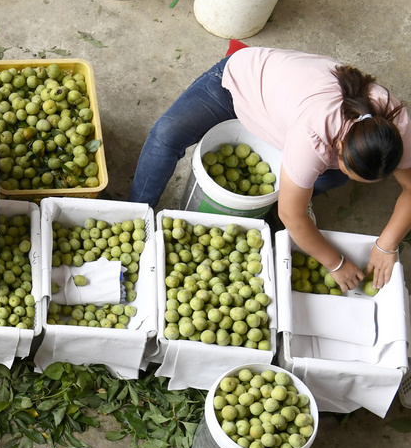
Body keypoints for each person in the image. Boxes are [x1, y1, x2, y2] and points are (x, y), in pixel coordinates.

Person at [129, 47, 411, 291]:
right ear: (338, 147)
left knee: (325, 179)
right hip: (240, 86)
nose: (348, 177)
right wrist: (335, 263)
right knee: (166, 136)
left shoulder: (395, 124)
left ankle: (285, 206)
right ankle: (134, 212)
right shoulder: (312, 136)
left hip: (286, 118)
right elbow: (291, 214)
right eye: (349, 171)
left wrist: (386, 245)